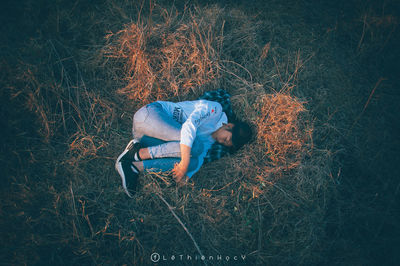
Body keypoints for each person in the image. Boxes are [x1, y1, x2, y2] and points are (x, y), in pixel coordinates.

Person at [115, 99, 252, 197]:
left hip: (145, 138)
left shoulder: (210, 140)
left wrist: (185, 175)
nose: (222, 142)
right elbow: (189, 126)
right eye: (226, 139)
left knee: (194, 162)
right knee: (194, 147)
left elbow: (199, 160)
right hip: (149, 116)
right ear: (229, 126)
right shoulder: (215, 110)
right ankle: (137, 153)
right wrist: (184, 163)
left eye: (225, 144)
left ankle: (135, 166)